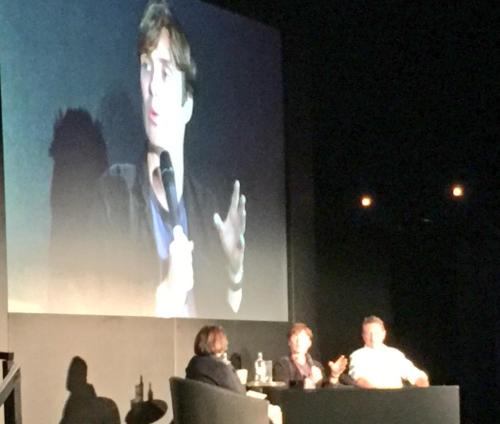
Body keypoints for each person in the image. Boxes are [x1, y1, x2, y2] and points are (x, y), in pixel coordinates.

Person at [91, 0, 246, 317]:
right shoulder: (113, 194)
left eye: (165, 71)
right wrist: (165, 293)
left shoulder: (205, 206)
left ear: (187, 104)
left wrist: (234, 270)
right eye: (146, 67)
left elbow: (227, 317)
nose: (153, 87)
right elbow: (96, 305)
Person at [186, 325, 282, 424]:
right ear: (220, 342)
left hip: (202, 417)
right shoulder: (221, 368)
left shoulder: (193, 366)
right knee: (275, 411)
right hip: (226, 417)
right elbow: (240, 395)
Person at [349, 315, 430, 389]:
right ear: (363, 336)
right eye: (368, 334)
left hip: (397, 400)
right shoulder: (357, 356)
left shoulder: (395, 354)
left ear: (384, 334)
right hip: (371, 400)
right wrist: (379, 394)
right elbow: (359, 379)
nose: (373, 338)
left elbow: (415, 374)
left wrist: (421, 382)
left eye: (376, 333)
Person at [273, 323, 348, 389]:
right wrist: (308, 381)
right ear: (289, 342)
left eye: (303, 338)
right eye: (295, 337)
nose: (299, 341)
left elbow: (326, 392)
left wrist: (334, 375)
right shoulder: (282, 364)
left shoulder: (316, 365)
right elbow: (283, 390)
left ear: (309, 343)